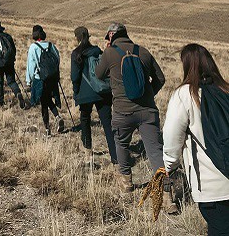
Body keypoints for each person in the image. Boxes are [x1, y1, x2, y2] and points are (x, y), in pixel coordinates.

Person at [95, 22, 168, 196]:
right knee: (155, 151)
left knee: (121, 144)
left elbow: (98, 75)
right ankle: (166, 195)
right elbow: (161, 79)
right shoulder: (143, 51)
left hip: (122, 111)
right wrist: (149, 94)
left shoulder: (110, 53)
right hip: (147, 111)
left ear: (111, 35)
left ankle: (127, 182)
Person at [163, 44, 229, 229]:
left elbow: (171, 138)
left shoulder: (185, 94)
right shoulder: (226, 90)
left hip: (212, 186)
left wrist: (169, 166)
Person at [70, 26, 116, 164]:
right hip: (103, 91)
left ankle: (88, 152)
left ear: (77, 38)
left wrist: (76, 92)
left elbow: (74, 77)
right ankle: (115, 156)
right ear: (88, 36)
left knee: (85, 121)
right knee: (108, 124)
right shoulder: (97, 51)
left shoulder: (76, 54)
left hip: (85, 94)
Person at [26, 25, 64, 135]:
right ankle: (57, 116)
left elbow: (30, 65)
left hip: (40, 78)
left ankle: (47, 130)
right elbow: (57, 58)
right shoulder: (51, 45)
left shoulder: (33, 47)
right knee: (47, 99)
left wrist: (29, 81)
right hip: (52, 78)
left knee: (44, 103)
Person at [0, 21, 26, 108]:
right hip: (9, 62)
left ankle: (0, 102)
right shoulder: (8, 37)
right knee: (11, 81)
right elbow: (14, 50)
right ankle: (18, 93)